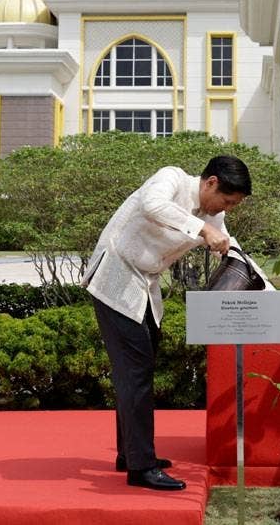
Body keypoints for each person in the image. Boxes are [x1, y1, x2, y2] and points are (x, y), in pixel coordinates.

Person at [82, 155, 253, 491]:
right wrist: (202, 229)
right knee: (136, 372)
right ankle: (141, 467)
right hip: (115, 278)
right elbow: (152, 205)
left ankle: (129, 454)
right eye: (227, 201)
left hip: (145, 285)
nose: (228, 209)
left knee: (139, 370)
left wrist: (277, 295)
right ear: (211, 182)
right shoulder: (172, 178)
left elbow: (237, 255)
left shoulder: (213, 215)